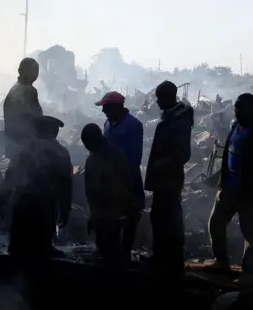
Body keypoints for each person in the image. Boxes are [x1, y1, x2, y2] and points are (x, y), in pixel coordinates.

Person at [208, 93, 253, 287]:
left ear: (251, 109)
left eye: (239, 107)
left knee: (250, 235)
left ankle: (249, 272)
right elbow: (227, 154)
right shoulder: (236, 127)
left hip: (247, 195)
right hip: (228, 190)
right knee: (215, 224)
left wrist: (248, 181)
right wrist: (222, 183)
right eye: (235, 107)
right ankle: (221, 261)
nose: (235, 110)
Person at [0, 115, 72, 259]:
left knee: (17, 248)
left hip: (21, 204)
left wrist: (0, 201)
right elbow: (65, 184)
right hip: (44, 207)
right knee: (41, 250)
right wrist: (65, 209)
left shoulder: (23, 149)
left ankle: (13, 279)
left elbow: (10, 176)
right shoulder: (61, 152)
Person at [144, 80, 194, 284]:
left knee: (170, 219)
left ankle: (173, 261)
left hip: (169, 179)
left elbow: (183, 153)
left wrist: (160, 164)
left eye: (158, 97)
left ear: (167, 97)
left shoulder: (179, 120)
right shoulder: (172, 116)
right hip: (163, 178)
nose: (156, 101)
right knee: (158, 217)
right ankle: (160, 255)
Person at [95, 91, 144, 259]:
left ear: (116, 107)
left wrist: (123, 177)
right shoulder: (108, 124)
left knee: (130, 214)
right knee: (112, 216)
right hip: (110, 178)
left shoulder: (133, 125)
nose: (103, 111)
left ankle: (125, 253)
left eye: (106, 107)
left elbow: (135, 156)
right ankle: (113, 252)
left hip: (128, 177)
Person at [81, 123, 136, 271]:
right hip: (106, 214)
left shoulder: (108, 157)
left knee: (110, 253)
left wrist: (99, 215)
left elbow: (115, 189)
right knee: (107, 252)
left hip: (111, 215)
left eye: (87, 143)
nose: (86, 147)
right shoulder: (97, 156)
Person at [3, 58, 43, 160]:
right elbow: (36, 118)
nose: (35, 74)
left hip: (13, 143)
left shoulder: (15, 88)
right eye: (33, 70)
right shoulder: (29, 90)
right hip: (24, 145)